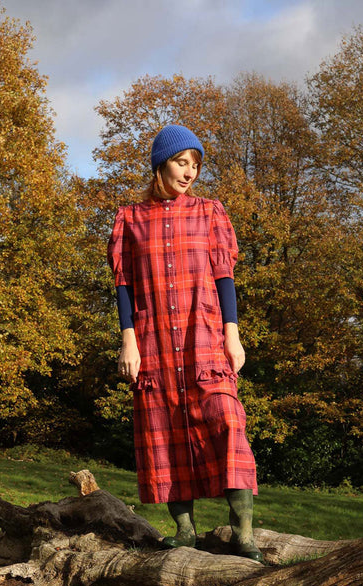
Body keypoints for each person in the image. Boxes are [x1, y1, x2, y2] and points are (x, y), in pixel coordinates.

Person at [107, 124, 263, 562]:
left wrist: (233, 334)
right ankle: (185, 531)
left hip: (205, 337)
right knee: (164, 427)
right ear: (161, 164)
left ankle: (244, 534)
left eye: (195, 165)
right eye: (182, 162)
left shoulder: (210, 213)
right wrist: (128, 342)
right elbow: (123, 285)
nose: (189, 171)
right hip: (153, 339)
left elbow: (224, 276)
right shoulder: (130, 219)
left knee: (228, 419)